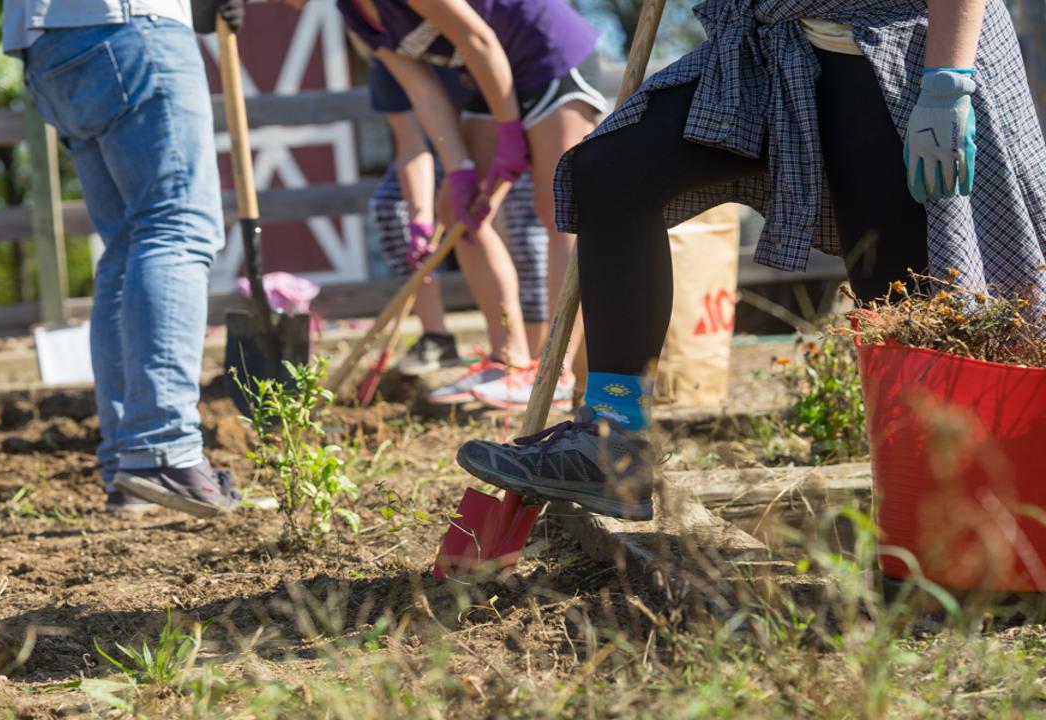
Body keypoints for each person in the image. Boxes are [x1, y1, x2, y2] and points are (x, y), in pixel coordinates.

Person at [457, 0, 1046, 520]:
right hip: (773, 46)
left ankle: (955, 525)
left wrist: (947, 82)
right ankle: (610, 442)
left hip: (912, 53)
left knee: (904, 304)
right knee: (611, 171)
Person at [2, 0, 246, 516]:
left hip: (47, 43)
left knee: (128, 246)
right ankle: (162, 448)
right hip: (130, 24)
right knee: (175, 227)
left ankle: (127, 461)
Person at [333, 0, 608, 410]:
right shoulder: (354, 12)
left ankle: (557, 373)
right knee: (457, 211)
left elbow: (478, 38)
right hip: (491, 81)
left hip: (548, 57)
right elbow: (422, 91)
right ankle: (509, 358)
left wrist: (509, 132)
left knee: (560, 213)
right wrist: (460, 169)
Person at [365, 59, 552, 395]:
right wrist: (421, 219)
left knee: (528, 225)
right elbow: (412, 145)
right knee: (392, 207)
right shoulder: (386, 61)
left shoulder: (454, 38)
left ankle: (538, 357)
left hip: (510, 126)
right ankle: (437, 337)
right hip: (444, 146)